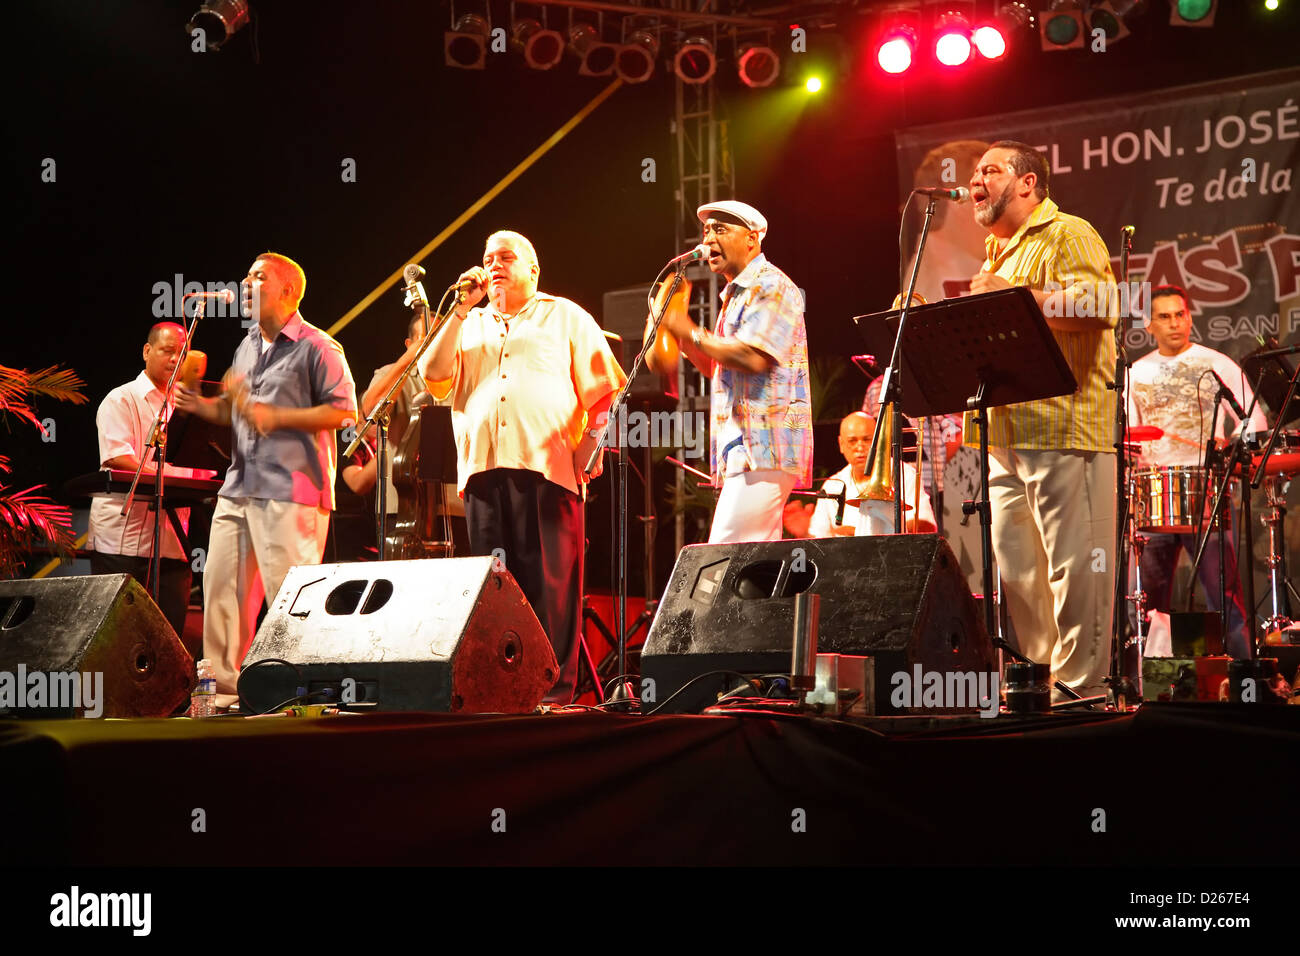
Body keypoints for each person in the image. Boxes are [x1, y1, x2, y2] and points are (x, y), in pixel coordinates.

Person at [418, 230, 625, 705]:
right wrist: (457, 310)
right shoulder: (466, 324)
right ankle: (504, 691)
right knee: (495, 592)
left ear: (533, 269)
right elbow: (433, 376)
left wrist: (589, 448)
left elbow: (605, 391)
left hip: (546, 469)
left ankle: (554, 694)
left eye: (506, 257)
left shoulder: (565, 315)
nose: (493, 265)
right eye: (487, 258)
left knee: (548, 585)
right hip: (482, 472)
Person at [964, 141, 1118, 700]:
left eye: (990, 170)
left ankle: (1084, 692)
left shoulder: (1067, 233)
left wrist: (1016, 296)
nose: (975, 180)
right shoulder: (995, 252)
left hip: (1065, 428)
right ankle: (1040, 690)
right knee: (1022, 577)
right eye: (975, 172)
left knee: (1075, 570)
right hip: (1005, 435)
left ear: (1027, 183)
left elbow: (1100, 305)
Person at [176, 253, 357, 709]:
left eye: (258, 277)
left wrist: (277, 417)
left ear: (289, 292)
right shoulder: (246, 347)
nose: (245, 283)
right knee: (221, 590)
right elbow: (235, 411)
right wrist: (200, 404)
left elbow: (343, 411)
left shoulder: (319, 347)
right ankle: (223, 691)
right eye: (246, 275)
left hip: (292, 491)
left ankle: (300, 691)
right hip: (239, 487)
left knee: (291, 600)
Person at [658, 200, 813, 543]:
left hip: (765, 447)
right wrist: (680, 339)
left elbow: (752, 357)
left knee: (724, 556)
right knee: (752, 567)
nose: (708, 238)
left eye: (721, 229)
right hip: (745, 448)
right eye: (706, 230)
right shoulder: (737, 295)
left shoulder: (771, 285)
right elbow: (720, 366)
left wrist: (686, 330)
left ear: (752, 239)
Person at [1127, 284, 1266, 658]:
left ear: (1189, 317)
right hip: (1152, 493)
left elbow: (1255, 419)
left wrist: (1231, 445)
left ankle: (1242, 677)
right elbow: (1128, 435)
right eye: (1165, 317)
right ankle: (1149, 681)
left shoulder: (1217, 363)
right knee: (1146, 601)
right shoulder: (1135, 373)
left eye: (1181, 314)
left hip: (1207, 489)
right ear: (1149, 324)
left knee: (1224, 593)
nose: (1175, 323)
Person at [87, 321, 196, 638]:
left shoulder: (187, 405)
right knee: (117, 636)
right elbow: (117, 457)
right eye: (167, 351)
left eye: (182, 354)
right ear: (147, 351)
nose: (176, 360)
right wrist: (170, 478)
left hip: (173, 541)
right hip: (121, 540)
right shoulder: (121, 399)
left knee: (168, 636)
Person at [808, 412, 934, 537]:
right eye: (852, 441)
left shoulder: (904, 474)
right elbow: (818, 536)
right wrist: (803, 530)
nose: (859, 447)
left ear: (879, 441)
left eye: (867, 440)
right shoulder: (832, 485)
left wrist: (860, 533)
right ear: (841, 444)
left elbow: (925, 524)